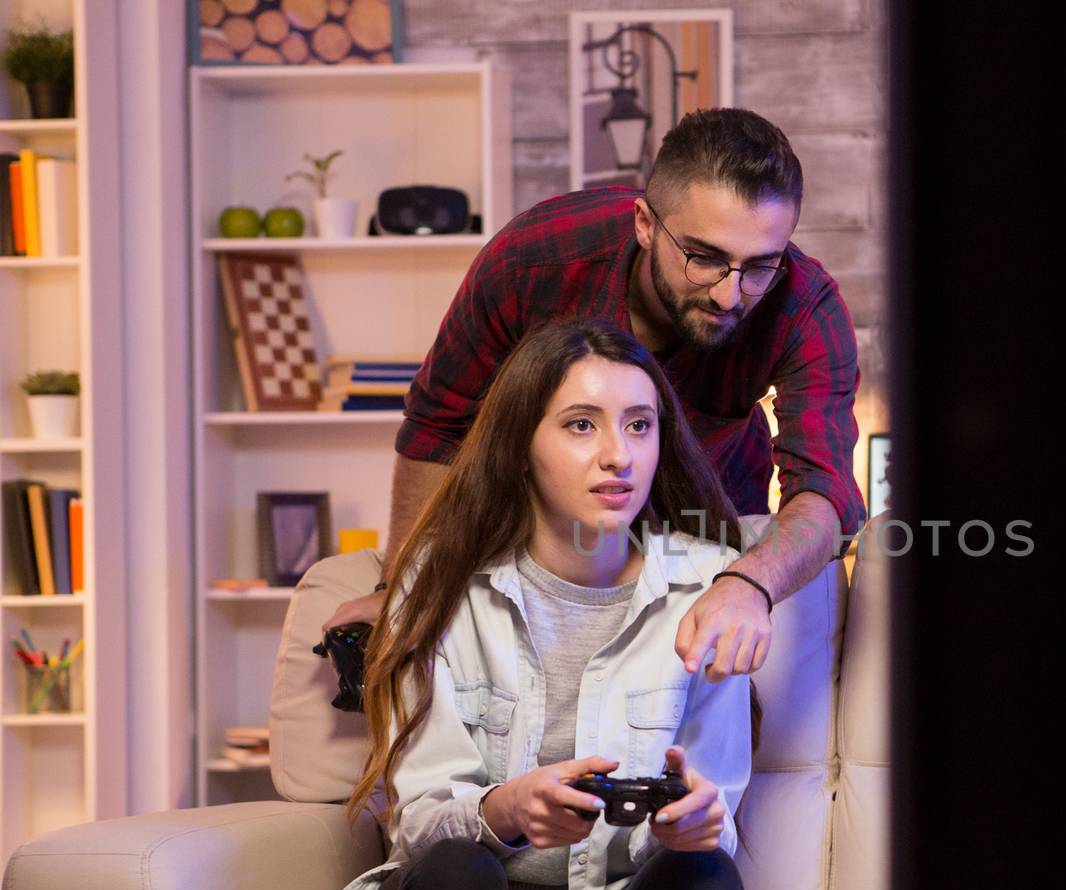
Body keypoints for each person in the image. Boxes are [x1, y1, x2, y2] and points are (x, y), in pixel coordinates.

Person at [303, 320, 753, 890]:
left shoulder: (710, 589)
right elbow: (416, 826)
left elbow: (717, 804)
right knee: (457, 868)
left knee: (707, 871)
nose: (619, 455)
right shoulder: (441, 584)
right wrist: (501, 812)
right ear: (520, 446)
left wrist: (698, 823)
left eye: (640, 426)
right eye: (582, 425)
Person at [324, 108, 867, 682]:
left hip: (708, 523)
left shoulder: (805, 304)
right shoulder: (532, 261)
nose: (731, 295)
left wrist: (748, 584)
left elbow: (825, 489)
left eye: (759, 265)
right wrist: (399, 588)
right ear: (645, 224)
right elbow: (438, 427)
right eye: (704, 258)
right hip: (545, 531)